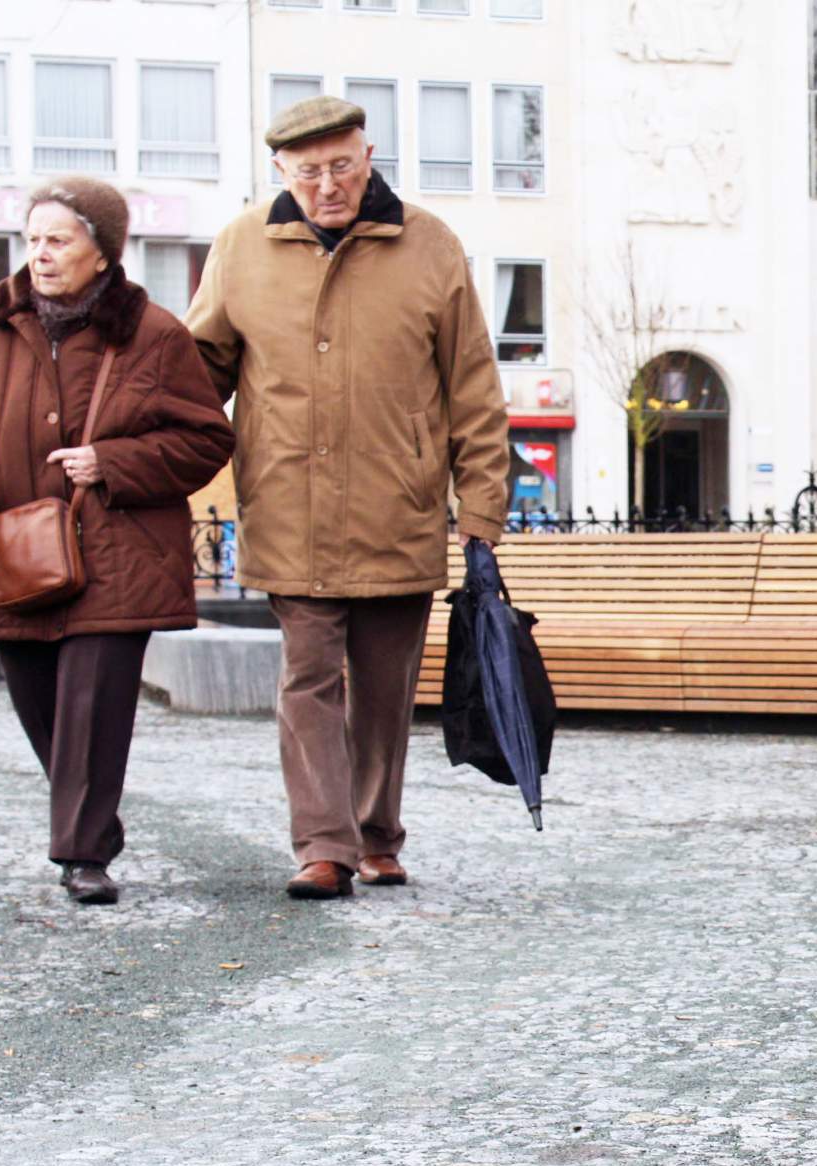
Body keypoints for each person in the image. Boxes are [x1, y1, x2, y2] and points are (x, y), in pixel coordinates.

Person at [186, 96, 508, 900]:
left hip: (396, 505)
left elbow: (473, 386)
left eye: (341, 166)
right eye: (308, 172)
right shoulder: (240, 247)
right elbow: (198, 377)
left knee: (385, 687)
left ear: (368, 157)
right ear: (280, 173)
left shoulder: (431, 246)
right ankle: (322, 846)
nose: (327, 185)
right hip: (287, 503)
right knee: (308, 680)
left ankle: (377, 834)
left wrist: (481, 510)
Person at [0, 178, 236, 905]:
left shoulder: (154, 334)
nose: (41, 255)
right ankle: (91, 821)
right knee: (41, 710)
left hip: (117, 556)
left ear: (103, 252)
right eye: (32, 240)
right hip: (11, 552)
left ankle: (82, 855)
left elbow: (207, 437)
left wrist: (113, 463)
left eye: (59, 240)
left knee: (92, 705)